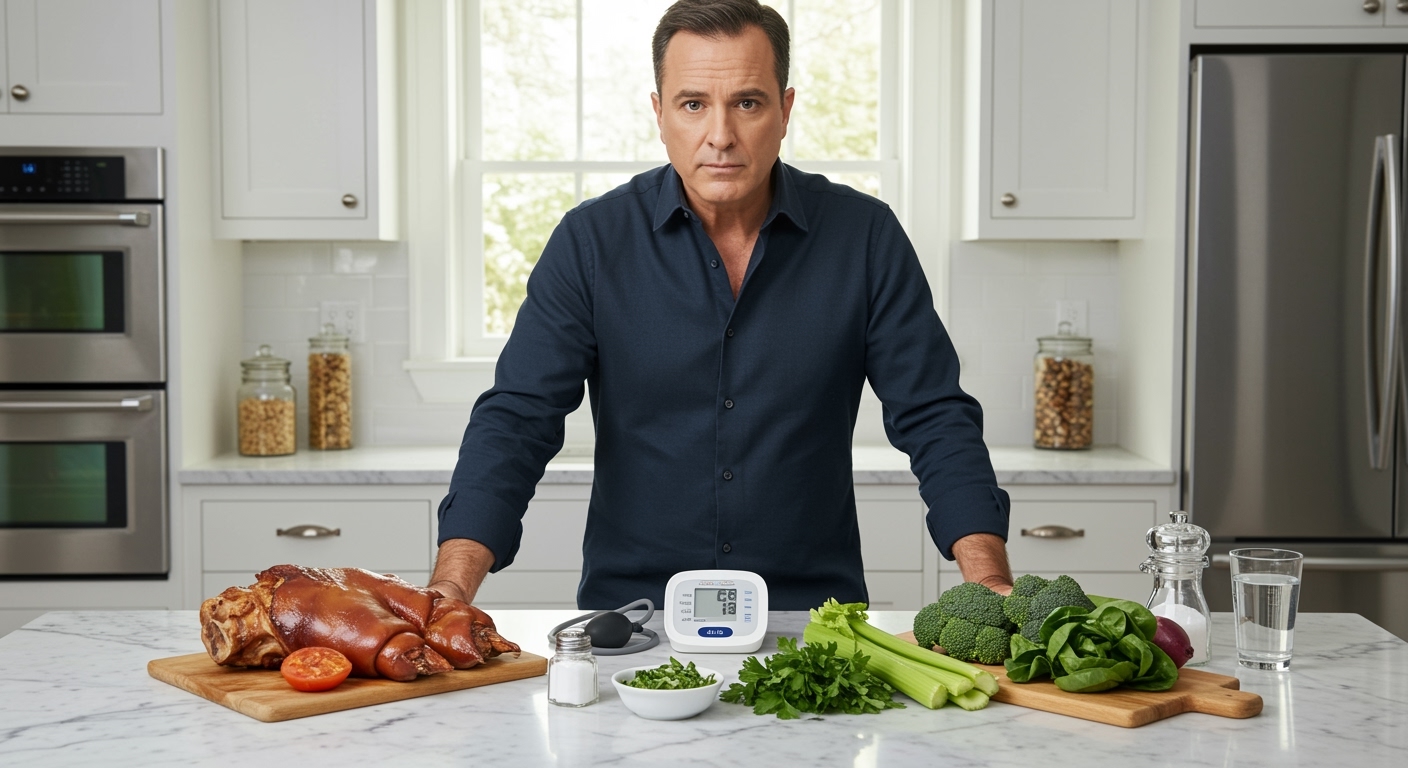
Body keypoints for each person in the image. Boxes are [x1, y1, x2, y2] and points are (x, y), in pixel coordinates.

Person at [429, 0, 1013, 611]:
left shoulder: (865, 236)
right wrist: (451, 585)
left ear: (785, 110)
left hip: (816, 618)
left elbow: (934, 414)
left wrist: (988, 580)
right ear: (659, 113)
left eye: (748, 103)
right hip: (633, 619)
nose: (721, 136)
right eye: (692, 104)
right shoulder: (591, 242)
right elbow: (518, 417)